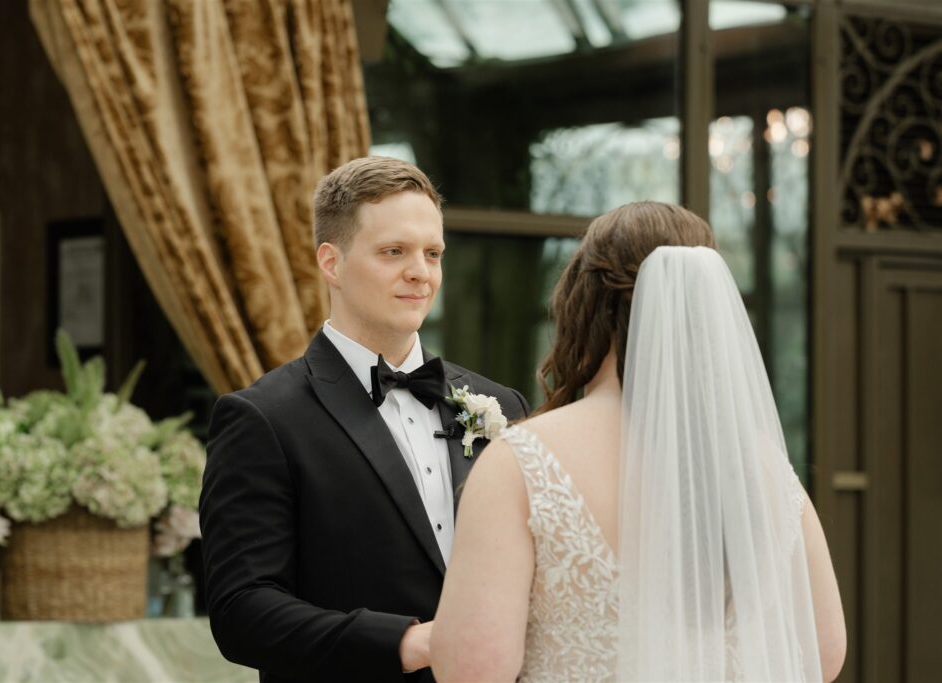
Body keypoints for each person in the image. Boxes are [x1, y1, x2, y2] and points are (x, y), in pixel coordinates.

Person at [431, 202, 847, 682]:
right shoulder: (766, 468)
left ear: (584, 306)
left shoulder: (522, 462)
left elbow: (472, 668)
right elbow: (824, 652)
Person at [199, 156, 530, 682]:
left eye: (433, 253)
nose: (420, 271)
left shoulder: (501, 406)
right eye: (393, 252)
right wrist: (407, 642)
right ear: (331, 263)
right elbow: (243, 611)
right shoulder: (262, 418)